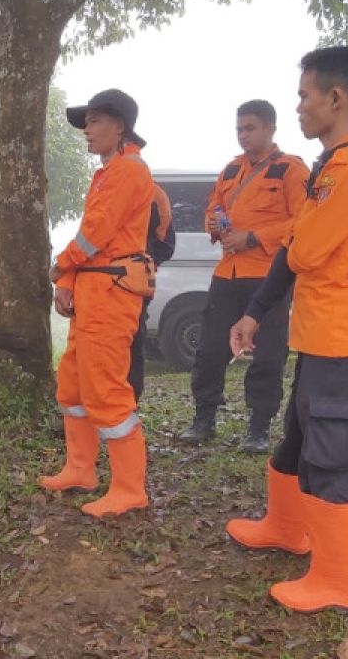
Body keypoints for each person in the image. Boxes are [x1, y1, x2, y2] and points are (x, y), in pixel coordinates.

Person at [226, 46, 348, 613]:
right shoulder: (327, 167)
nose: (298, 106)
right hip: (318, 337)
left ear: (335, 98)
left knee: (327, 460)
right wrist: (255, 310)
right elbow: (295, 248)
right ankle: (285, 528)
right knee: (295, 444)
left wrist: (293, 242)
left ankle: (341, 582)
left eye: (303, 95)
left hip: (343, 342)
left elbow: (307, 247)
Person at [40, 88, 156, 519]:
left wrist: (60, 266)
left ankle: (129, 489)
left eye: (93, 122)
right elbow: (91, 235)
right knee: (72, 384)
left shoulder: (128, 171)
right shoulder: (108, 172)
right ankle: (80, 469)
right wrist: (68, 280)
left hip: (111, 294)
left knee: (106, 387)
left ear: (119, 125)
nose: (86, 132)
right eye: (85, 124)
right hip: (93, 290)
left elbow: (95, 235)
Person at [177, 101, 309, 452]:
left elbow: (303, 221)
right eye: (239, 129)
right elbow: (214, 207)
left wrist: (254, 237)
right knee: (208, 349)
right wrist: (212, 223)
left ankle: (259, 427)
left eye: (250, 128)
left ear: (270, 129)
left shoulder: (290, 170)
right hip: (228, 272)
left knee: (268, 353)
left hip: (269, 276)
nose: (243, 135)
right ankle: (204, 418)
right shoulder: (232, 170)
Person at [127, 183, 175, 401]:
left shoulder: (152, 193)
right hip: (100, 284)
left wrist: (145, 265)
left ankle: (130, 401)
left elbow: (166, 242)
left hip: (135, 285)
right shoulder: (101, 185)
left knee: (133, 338)